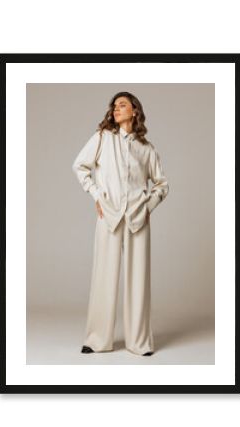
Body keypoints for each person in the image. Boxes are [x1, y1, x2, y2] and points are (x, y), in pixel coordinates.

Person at [72, 91, 169, 356]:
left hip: (138, 218)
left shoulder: (147, 149)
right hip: (109, 216)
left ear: (134, 110)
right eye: (114, 106)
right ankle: (96, 340)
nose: (116, 109)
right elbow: (80, 166)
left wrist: (149, 206)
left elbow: (162, 185)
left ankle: (139, 342)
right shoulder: (103, 138)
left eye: (122, 105)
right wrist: (96, 195)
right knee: (103, 276)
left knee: (139, 280)